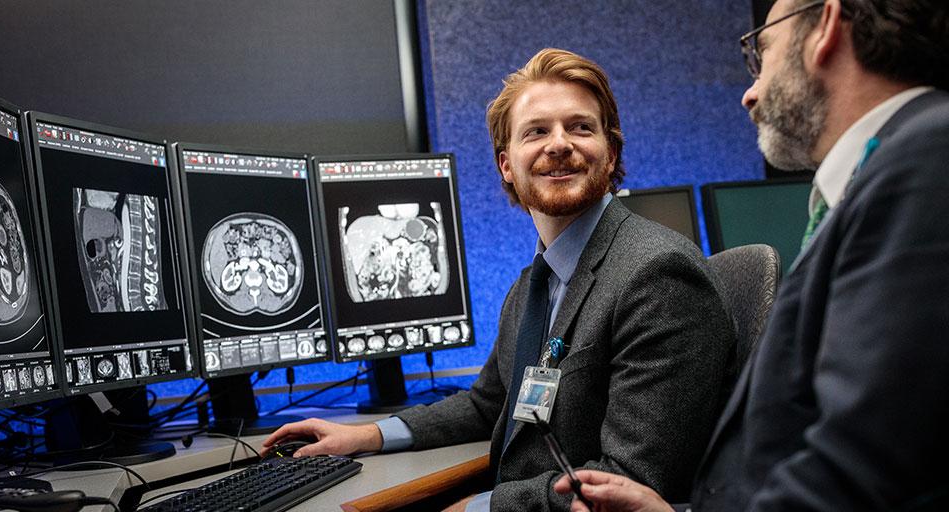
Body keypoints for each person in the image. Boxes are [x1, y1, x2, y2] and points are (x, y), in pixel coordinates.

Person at [262, 48, 736, 511]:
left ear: (609, 154)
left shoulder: (656, 274)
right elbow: (488, 405)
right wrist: (367, 434)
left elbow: (626, 483)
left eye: (580, 127)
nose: (558, 144)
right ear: (507, 165)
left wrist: (480, 506)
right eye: (536, 132)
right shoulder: (535, 284)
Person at [552, 0, 949, 510]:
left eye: (762, 51)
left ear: (824, 25)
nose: (749, 93)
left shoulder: (925, 161)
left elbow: (859, 474)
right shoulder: (885, 175)